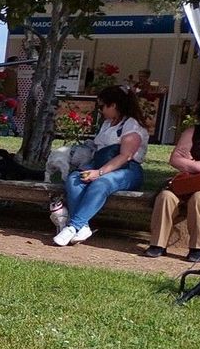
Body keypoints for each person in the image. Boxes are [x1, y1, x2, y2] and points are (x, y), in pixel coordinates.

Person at [54, 86, 148, 246]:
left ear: (114, 105)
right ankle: (82, 226)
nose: (100, 110)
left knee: (102, 183)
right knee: (74, 179)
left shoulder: (132, 125)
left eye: (102, 106)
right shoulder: (107, 123)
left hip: (127, 169)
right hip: (101, 163)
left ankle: (73, 226)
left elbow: (126, 156)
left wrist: (99, 172)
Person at [145, 97, 200, 262]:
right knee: (166, 197)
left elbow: (184, 161)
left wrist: (193, 162)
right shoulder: (193, 132)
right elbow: (176, 159)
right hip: (186, 182)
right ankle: (157, 244)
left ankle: (198, 247)